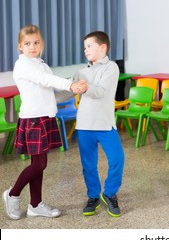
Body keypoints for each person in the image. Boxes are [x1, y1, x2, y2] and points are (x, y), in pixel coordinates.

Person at [2, 24, 85, 220]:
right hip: (33, 119)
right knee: (39, 164)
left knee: (38, 163)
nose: (32, 46)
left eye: (36, 42)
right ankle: (12, 194)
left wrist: (74, 89)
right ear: (20, 46)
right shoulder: (23, 64)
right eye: (27, 43)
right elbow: (47, 80)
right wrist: (70, 84)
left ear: (42, 44)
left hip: (45, 117)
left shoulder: (41, 64)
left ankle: (35, 204)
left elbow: (51, 93)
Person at [72, 31, 125, 217]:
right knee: (88, 165)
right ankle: (93, 196)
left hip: (104, 124)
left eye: (89, 46)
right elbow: (68, 90)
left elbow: (101, 91)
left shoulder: (111, 68)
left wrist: (86, 87)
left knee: (117, 159)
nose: (85, 50)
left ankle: (109, 193)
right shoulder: (81, 72)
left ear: (103, 47)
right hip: (85, 125)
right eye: (84, 46)